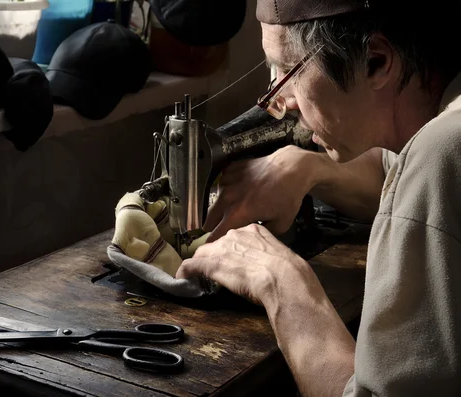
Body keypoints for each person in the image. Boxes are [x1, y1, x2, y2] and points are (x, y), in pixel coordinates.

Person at [176, 1, 461, 396]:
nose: (278, 103)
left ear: (375, 62)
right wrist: (308, 167)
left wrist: (281, 281)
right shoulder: (441, 113)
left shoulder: (444, 150)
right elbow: (394, 177)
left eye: (287, 72)